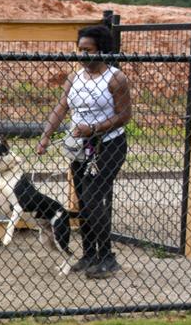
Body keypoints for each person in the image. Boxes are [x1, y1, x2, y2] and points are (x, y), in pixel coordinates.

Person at [36, 24, 132, 279]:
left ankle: (107, 257)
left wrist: (95, 127)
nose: (82, 55)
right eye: (80, 50)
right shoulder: (75, 77)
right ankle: (89, 254)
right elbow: (61, 107)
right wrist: (46, 135)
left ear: (101, 50)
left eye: (88, 50)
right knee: (83, 200)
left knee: (92, 198)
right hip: (80, 148)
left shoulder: (115, 78)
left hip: (108, 145)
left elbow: (125, 115)